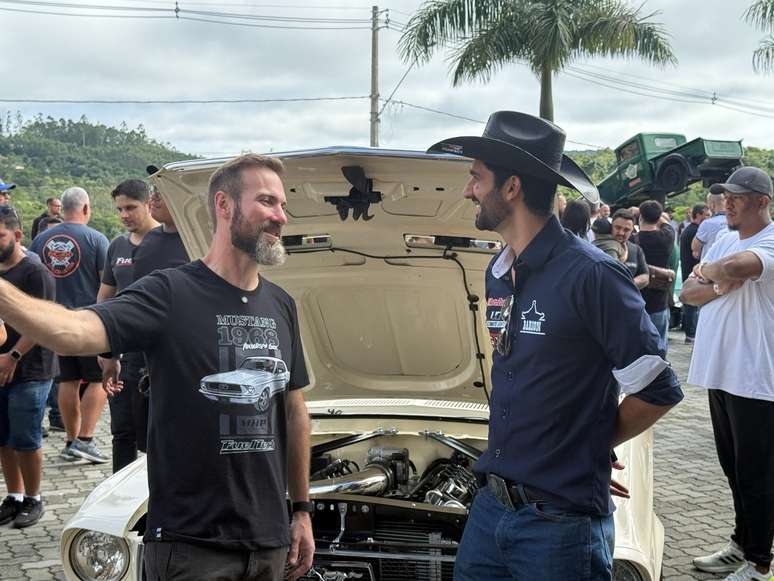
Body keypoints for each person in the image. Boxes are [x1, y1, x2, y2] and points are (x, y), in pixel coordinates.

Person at [0, 154, 314, 580]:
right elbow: (72, 331)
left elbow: (295, 414)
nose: (281, 216)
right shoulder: (170, 292)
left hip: (270, 542)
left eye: (281, 204)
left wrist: (301, 510)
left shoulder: (282, 304)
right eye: (266, 201)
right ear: (224, 206)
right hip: (191, 546)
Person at [427, 111, 683, 580]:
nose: (468, 191)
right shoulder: (498, 271)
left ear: (511, 188)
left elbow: (659, 389)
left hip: (559, 528)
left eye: (476, 178)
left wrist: (585, 447)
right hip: (490, 511)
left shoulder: (592, 275)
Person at [680, 166, 774, 581]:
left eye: (737, 197)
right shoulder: (721, 236)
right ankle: (742, 543)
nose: (728, 203)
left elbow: (740, 267)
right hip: (722, 372)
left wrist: (715, 273)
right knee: (733, 469)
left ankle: (759, 564)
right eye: (726, 197)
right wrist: (715, 283)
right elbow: (687, 293)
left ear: (762, 202)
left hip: (755, 377)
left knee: (757, 475)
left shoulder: (770, 240)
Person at [29, 187, 110, 464]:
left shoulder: (40, 240)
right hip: (89, 322)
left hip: (53, 322)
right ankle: (85, 439)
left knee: (68, 381)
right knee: (99, 380)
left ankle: (70, 441)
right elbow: (107, 283)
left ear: (62, 208)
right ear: (86, 208)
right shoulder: (97, 239)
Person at [96, 179, 158, 473]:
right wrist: (106, 351)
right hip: (125, 353)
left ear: (149, 204)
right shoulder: (117, 246)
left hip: (160, 353)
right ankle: (118, 496)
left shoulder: (170, 242)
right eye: (119, 209)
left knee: (154, 435)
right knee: (122, 431)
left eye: (131, 207)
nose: (124, 215)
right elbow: (105, 298)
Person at [0, 206, 56, 528]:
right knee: (3, 438)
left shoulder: (35, 272)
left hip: (31, 370)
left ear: (18, 235)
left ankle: (34, 498)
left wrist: (13, 357)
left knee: (26, 437)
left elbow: (43, 323)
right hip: (1, 368)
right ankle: (14, 496)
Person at [637, 200, 675, 354]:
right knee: (660, 345)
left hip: (638, 297)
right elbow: (667, 224)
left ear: (641, 217)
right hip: (660, 297)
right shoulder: (667, 237)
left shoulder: (634, 240)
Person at [679, 203, 709, 343]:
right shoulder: (695, 232)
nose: (708, 218)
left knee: (690, 306)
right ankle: (691, 334)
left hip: (689, 269)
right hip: (692, 271)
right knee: (691, 306)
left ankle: (690, 332)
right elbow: (696, 254)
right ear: (698, 215)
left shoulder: (689, 230)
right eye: (706, 215)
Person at [611, 209, 649, 289]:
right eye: (618, 227)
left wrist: (628, 285)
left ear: (632, 231)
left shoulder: (636, 250)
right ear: (611, 226)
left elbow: (645, 276)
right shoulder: (598, 247)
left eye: (626, 230)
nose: (621, 233)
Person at [693, 191, 727, 260]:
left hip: (710, 266)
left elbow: (695, 248)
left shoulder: (707, 223)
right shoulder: (736, 222)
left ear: (712, 205)